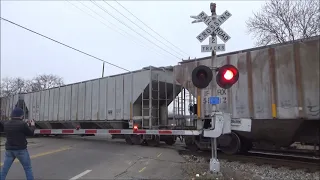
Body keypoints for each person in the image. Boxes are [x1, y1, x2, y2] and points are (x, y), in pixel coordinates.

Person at [0, 107, 35, 180]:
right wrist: (32, 125)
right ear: (21, 115)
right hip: (21, 150)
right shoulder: (22, 124)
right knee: (28, 169)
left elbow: (2, 123)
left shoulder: (6, 123)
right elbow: (31, 133)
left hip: (9, 150)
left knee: (4, 170)